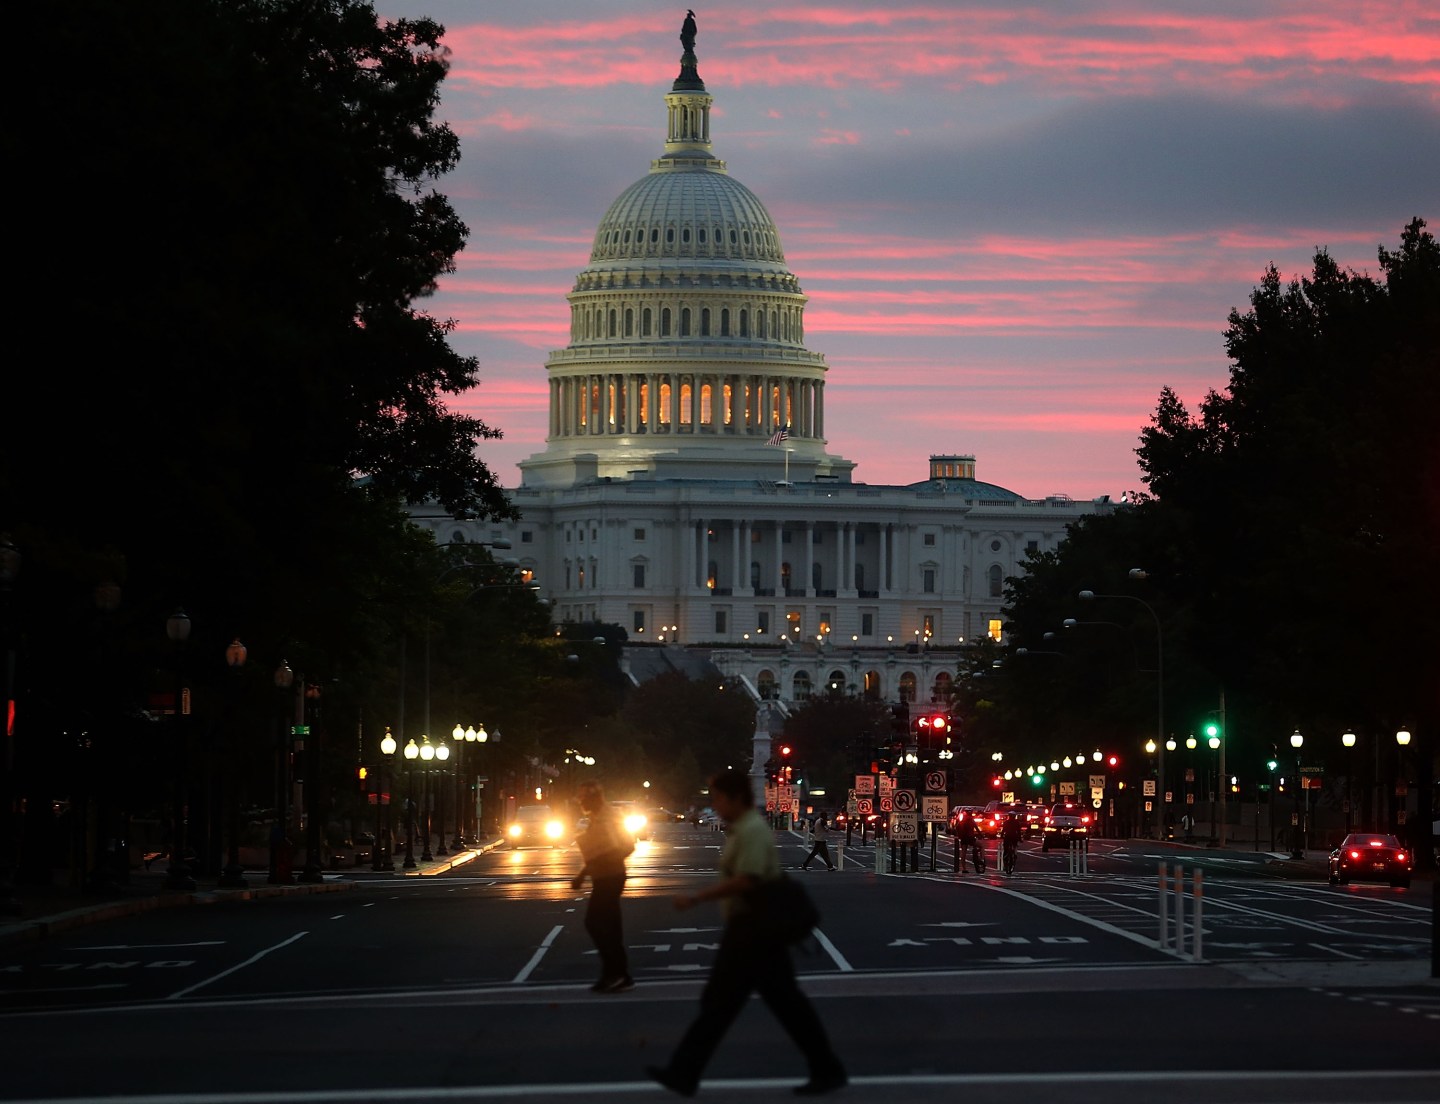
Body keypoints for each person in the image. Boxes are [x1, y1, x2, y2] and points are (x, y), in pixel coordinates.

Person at [646, 771, 847, 1098]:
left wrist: (697, 898)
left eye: (718, 798)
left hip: (755, 929)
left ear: (737, 797)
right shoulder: (742, 829)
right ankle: (826, 1068)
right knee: (756, 1003)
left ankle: (684, 1072)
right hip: (751, 928)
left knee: (736, 1003)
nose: (715, 805)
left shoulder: (752, 830)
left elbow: (748, 880)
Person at [570, 783, 634, 993]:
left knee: (595, 922)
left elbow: (627, 846)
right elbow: (596, 851)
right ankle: (620, 974)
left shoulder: (608, 817)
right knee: (611, 925)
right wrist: (582, 875)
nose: (581, 804)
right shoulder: (597, 818)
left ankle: (614, 972)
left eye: (583, 800)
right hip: (604, 876)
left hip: (611, 876)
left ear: (594, 798)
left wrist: (608, 860)